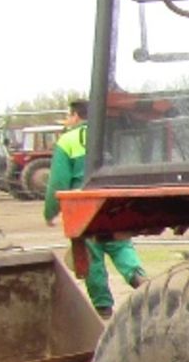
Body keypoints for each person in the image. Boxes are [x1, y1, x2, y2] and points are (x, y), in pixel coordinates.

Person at [44, 98, 144, 318]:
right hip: (114, 202)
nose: (68, 120)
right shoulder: (109, 136)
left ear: (76, 116)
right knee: (121, 246)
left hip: (84, 207)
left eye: (69, 116)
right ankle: (142, 283)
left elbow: (58, 181)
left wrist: (50, 211)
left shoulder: (68, 140)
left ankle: (103, 309)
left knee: (92, 257)